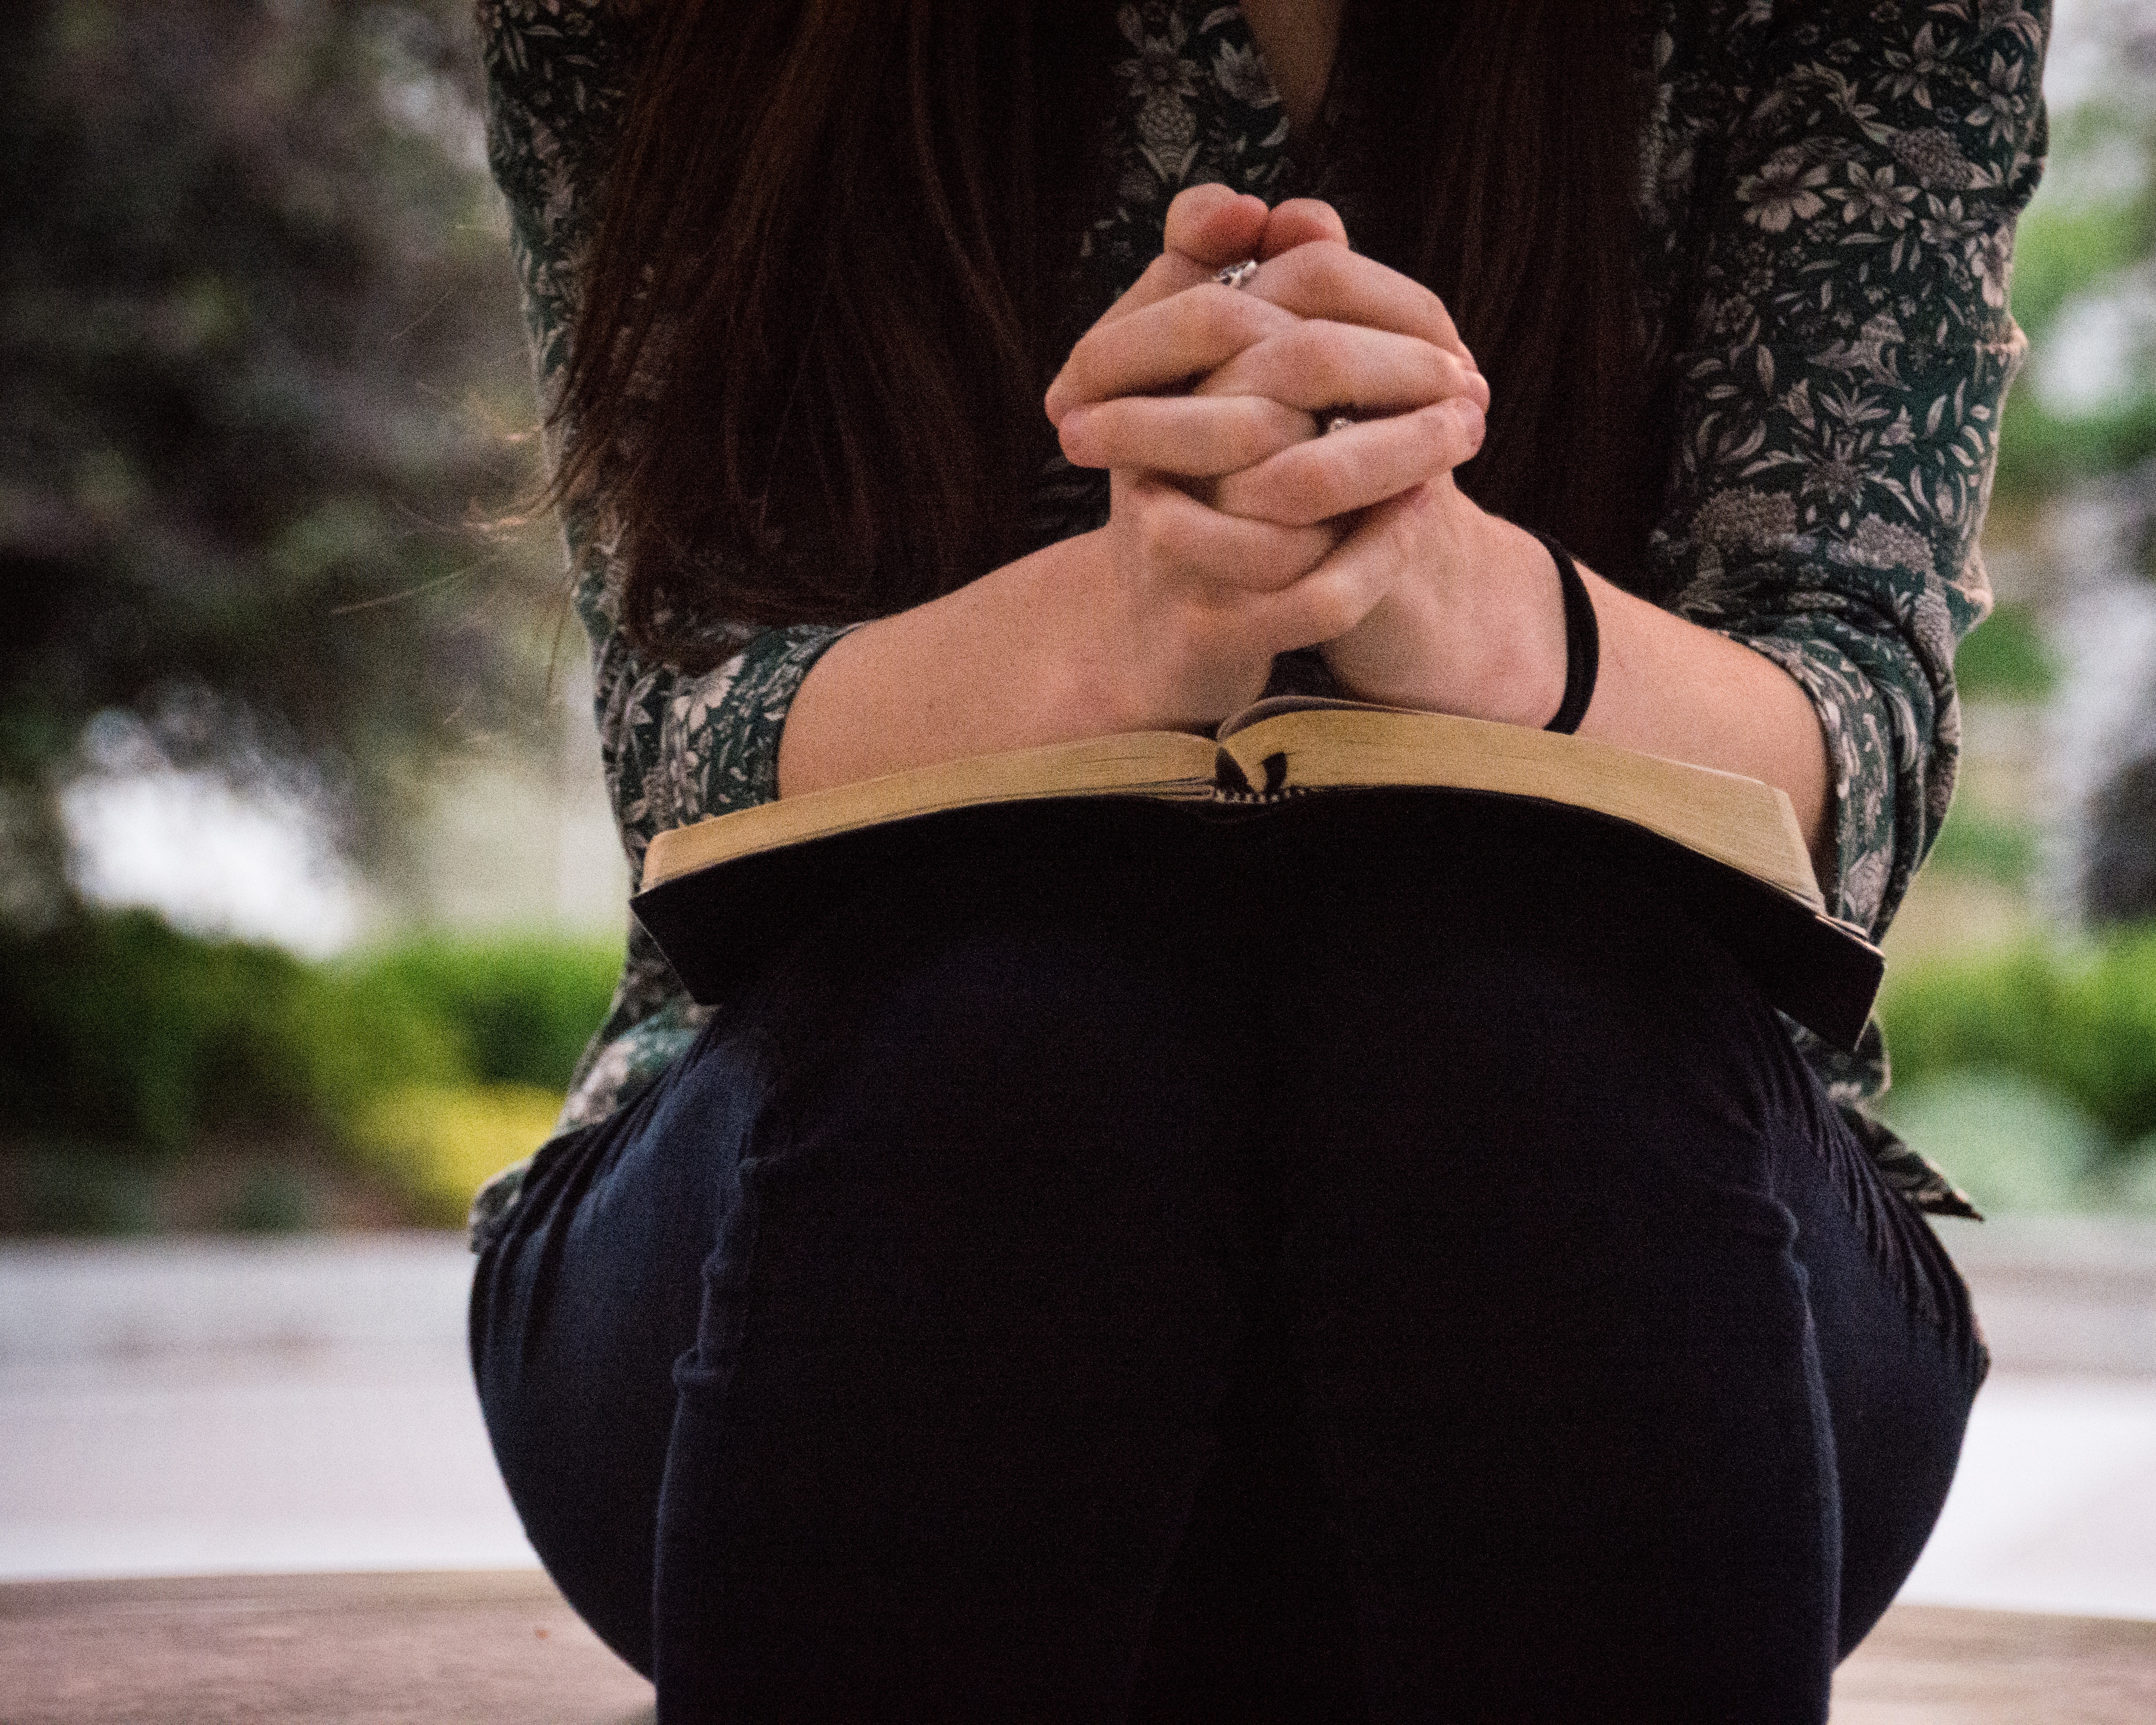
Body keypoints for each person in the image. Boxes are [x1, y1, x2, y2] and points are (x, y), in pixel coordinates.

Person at [466, 1, 2047, 1718]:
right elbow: (675, 748)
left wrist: (1451, 596)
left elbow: (1861, 753)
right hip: (812, 1267)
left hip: (1644, 1259)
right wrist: (1118, 625)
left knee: (1514, 1032)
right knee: (1013, 1030)